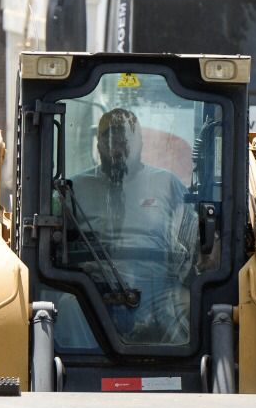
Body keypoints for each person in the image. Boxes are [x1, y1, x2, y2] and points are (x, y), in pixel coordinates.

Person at [67, 108, 198, 345]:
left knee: (186, 321)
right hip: (93, 286)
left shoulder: (167, 184)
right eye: (110, 139)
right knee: (64, 309)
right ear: (99, 145)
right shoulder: (74, 189)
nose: (117, 146)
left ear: (140, 143)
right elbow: (57, 244)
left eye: (125, 138)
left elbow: (193, 238)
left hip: (157, 287)